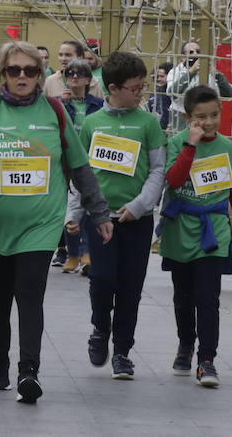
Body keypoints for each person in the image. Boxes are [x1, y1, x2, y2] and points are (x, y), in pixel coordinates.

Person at [0, 41, 113, 404]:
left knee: (29, 295)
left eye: (29, 70)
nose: (21, 77)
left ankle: (29, 371)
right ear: (3, 74)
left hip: (40, 225)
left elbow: (80, 167)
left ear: (39, 75)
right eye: (14, 70)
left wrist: (99, 212)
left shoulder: (55, 111)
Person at [73, 51, 166, 380]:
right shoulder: (93, 124)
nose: (141, 92)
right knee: (102, 279)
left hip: (137, 220)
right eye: (135, 87)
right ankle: (100, 327)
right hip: (101, 219)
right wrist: (75, 211)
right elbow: (80, 172)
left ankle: (123, 351)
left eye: (143, 87)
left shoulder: (149, 123)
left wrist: (140, 205)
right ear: (113, 88)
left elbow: (157, 170)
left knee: (130, 287)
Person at [159, 86, 232, 388]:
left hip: (214, 231)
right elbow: (172, 180)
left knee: (207, 298)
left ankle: (207, 359)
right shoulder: (175, 143)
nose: (209, 122)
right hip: (180, 229)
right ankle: (186, 344)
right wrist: (190, 146)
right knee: (183, 297)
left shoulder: (231, 149)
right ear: (188, 117)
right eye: (201, 117)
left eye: (214, 115)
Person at [56, 58, 103, 274]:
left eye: (80, 74)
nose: (74, 77)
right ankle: (72, 253)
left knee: (88, 207)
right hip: (65, 161)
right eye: (70, 74)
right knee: (70, 210)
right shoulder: (58, 105)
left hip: (91, 160)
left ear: (88, 79)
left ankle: (86, 252)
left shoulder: (98, 105)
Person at [165, 42, 232, 131]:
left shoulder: (210, 74)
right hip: (181, 120)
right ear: (182, 57)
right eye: (191, 52)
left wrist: (216, 74)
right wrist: (191, 72)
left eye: (198, 51)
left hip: (205, 120)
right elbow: (172, 93)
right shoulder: (175, 72)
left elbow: (229, 94)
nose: (195, 55)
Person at [149, 61, 174, 131]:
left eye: (162, 76)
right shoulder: (154, 93)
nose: (158, 79)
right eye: (157, 77)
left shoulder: (172, 94)